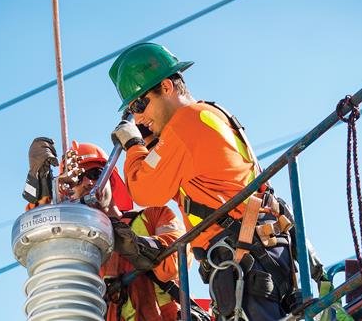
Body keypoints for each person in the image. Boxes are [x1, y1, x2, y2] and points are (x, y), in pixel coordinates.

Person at [109, 42, 301, 320]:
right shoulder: (208, 114)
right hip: (260, 253)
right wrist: (152, 143)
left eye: (139, 104)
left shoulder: (186, 123)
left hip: (245, 257)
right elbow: (181, 185)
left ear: (166, 87)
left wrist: (134, 145)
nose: (138, 117)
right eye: (132, 110)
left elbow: (145, 189)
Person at [22, 138, 190, 320]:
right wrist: (41, 193)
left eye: (96, 173)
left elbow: (176, 260)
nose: (87, 182)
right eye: (78, 178)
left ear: (112, 181)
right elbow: (45, 243)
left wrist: (134, 245)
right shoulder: (75, 242)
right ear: (69, 192)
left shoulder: (153, 216)